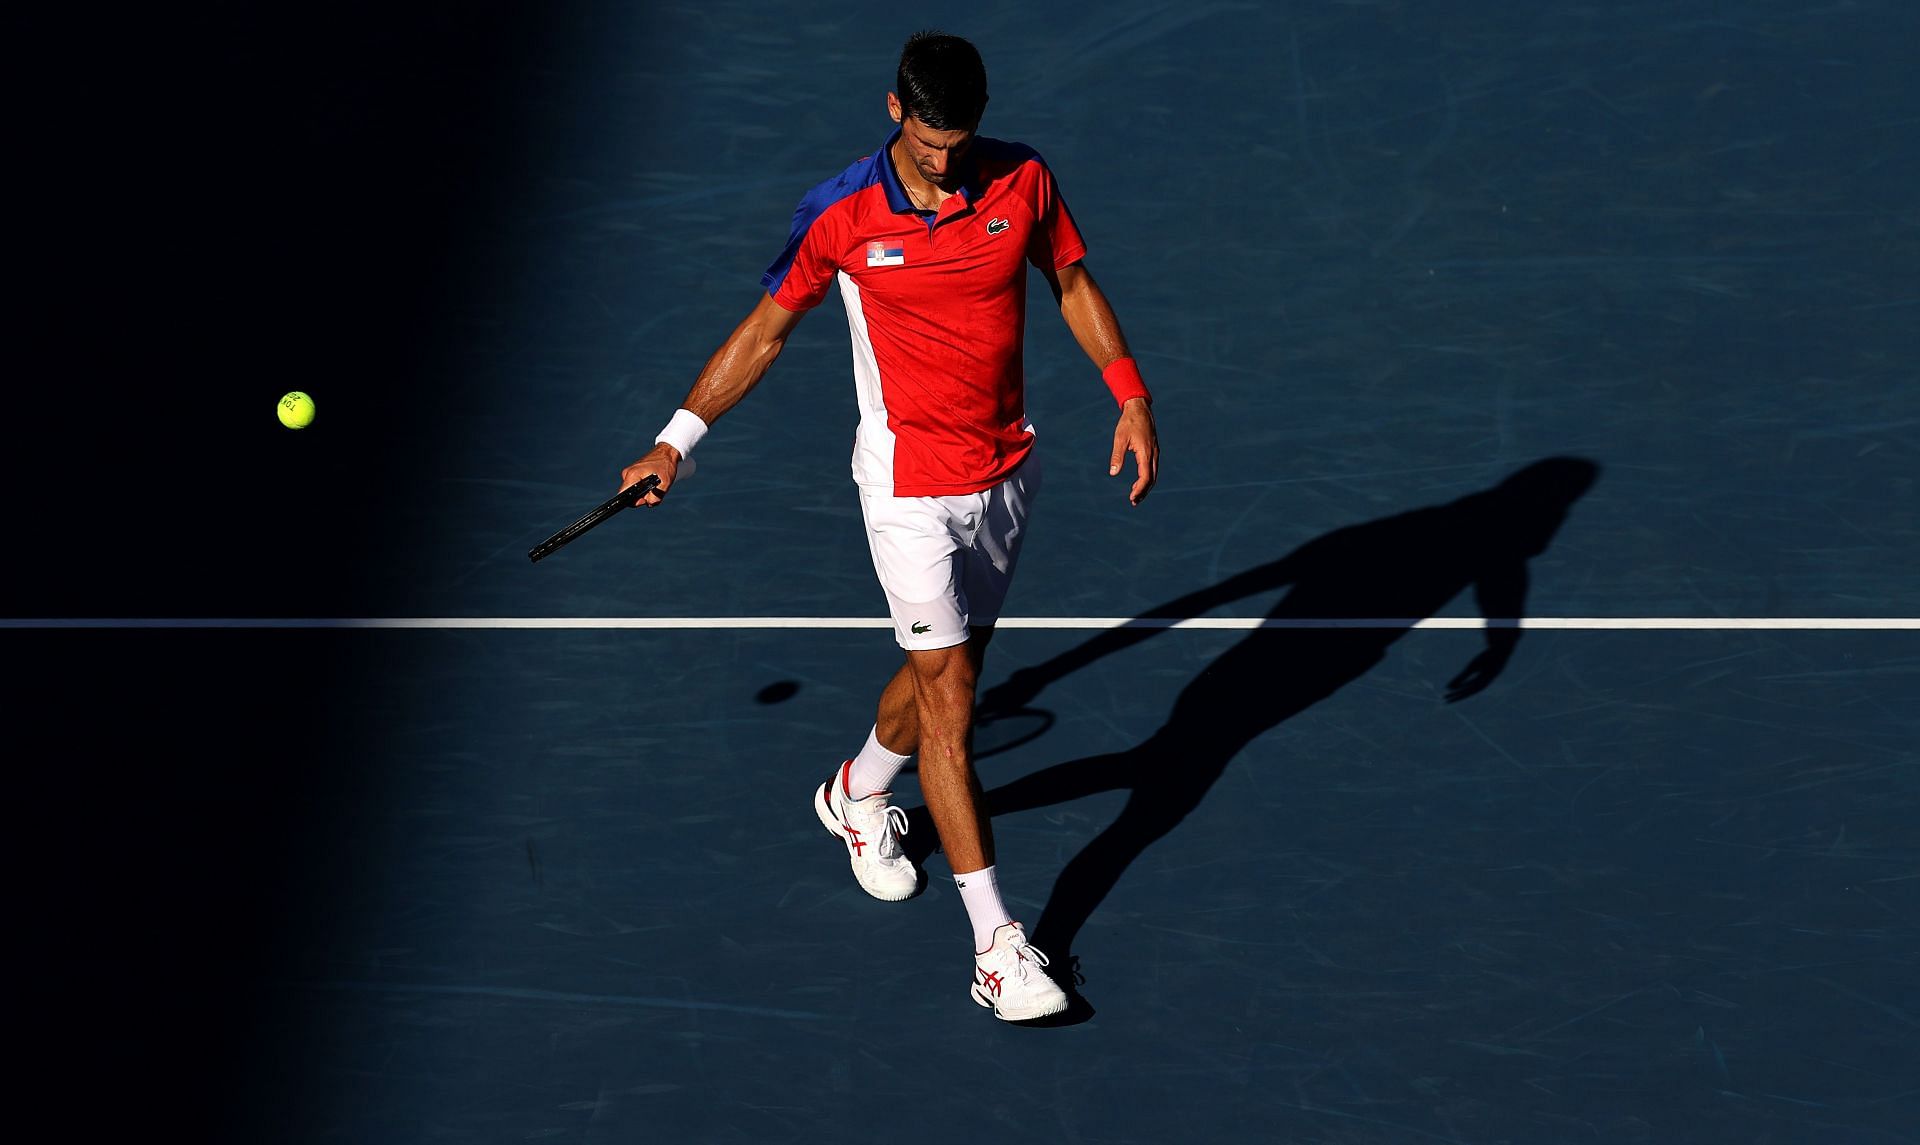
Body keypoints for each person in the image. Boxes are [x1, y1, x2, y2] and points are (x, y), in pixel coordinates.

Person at [618, 31, 1159, 1021]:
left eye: (962, 145)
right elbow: (767, 328)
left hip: (1004, 475)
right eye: (929, 143)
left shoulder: (1023, 179)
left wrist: (1129, 390)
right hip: (909, 490)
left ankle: (857, 792)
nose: (947, 165)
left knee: (944, 679)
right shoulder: (843, 213)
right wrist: (675, 440)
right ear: (893, 111)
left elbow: (1071, 281)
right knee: (950, 708)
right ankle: (998, 947)